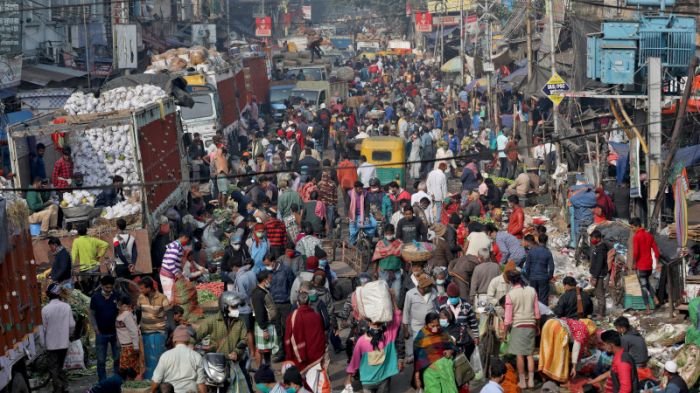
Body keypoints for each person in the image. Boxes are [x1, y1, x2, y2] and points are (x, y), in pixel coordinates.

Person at [345, 304, 404, 393]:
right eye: (375, 323)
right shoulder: (387, 336)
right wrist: (348, 378)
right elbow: (355, 360)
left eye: (378, 323)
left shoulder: (386, 336)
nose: (376, 326)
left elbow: (397, 316)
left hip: (379, 380)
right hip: (370, 381)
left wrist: (393, 299)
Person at [284, 291, 328, 391]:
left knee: (303, 386)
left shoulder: (292, 317)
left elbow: (287, 339)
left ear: (298, 304)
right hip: (316, 357)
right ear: (309, 303)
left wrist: (289, 357)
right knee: (315, 385)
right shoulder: (316, 316)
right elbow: (321, 336)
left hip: (298, 358)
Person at [504, 270, 540, 389]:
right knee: (529, 354)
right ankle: (531, 381)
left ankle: (522, 382)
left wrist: (504, 333)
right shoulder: (532, 290)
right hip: (531, 325)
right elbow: (537, 314)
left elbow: (508, 319)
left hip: (518, 326)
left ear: (510, 281)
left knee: (519, 355)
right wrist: (537, 326)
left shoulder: (510, 294)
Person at [539, 317, 597, 383]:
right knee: (559, 357)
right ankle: (557, 379)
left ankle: (544, 375)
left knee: (548, 351)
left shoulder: (577, 324)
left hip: (548, 323)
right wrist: (574, 368)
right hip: (559, 328)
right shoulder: (583, 329)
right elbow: (576, 348)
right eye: (593, 334)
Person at [150, 326, 206, 393]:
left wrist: (151, 391)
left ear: (174, 340)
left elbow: (156, 380)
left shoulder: (165, 356)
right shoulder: (196, 356)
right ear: (188, 340)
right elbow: (201, 383)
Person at [42, 283, 75, 393]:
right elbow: (71, 325)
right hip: (64, 343)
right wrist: (69, 336)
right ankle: (64, 386)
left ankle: (58, 387)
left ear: (48, 295)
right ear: (59, 294)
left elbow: (44, 329)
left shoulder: (45, 310)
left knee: (53, 367)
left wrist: (43, 344)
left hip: (51, 344)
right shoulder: (66, 307)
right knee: (60, 365)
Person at [412, 312, 457, 392]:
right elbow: (417, 357)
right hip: (430, 371)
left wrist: (450, 351)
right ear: (427, 324)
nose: (435, 328)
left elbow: (452, 345)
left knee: (450, 390)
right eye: (432, 326)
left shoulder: (443, 332)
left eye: (437, 325)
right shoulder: (421, 335)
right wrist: (417, 377)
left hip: (446, 369)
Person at [263, 255, 295, 362]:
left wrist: (290, 299)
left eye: (268, 264)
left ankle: (290, 352)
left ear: (274, 261)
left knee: (287, 328)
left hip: (286, 303)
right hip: (274, 304)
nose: (267, 267)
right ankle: (281, 352)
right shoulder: (269, 272)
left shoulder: (286, 270)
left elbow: (292, 284)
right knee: (277, 329)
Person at [137, 277, 169, 379]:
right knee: (146, 359)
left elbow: (169, 315)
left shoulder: (162, 298)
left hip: (158, 332)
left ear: (149, 288)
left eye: (142, 288)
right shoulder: (141, 297)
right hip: (145, 332)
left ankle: (159, 380)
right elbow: (138, 313)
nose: (140, 291)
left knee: (158, 358)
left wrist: (169, 332)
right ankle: (149, 381)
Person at [89, 275, 120, 382]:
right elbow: (92, 314)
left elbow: (121, 311)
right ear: (102, 286)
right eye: (106, 288)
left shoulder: (116, 296)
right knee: (101, 360)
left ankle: (117, 381)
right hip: (101, 333)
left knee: (117, 358)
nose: (108, 290)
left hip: (115, 333)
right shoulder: (95, 297)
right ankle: (102, 382)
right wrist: (96, 328)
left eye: (110, 288)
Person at [402, 273, 438, 364]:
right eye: (428, 285)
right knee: (419, 351)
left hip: (431, 326)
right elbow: (406, 312)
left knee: (431, 350)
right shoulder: (410, 294)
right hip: (417, 327)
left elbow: (437, 307)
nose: (431, 286)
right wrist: (405, 330)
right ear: (423, 287)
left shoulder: (433, 292)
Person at [440, 282, 480, 358]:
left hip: (463, 340)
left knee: (463, 362)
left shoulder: (466, 306)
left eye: (455, 296)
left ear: (459, 295)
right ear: (448, 296)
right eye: (451, 297)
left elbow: (473, 323)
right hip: (448, 340)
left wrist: (476, 336)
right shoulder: (443, 306)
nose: (453, 299)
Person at [630, 217, 661, 312]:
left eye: (632, 227)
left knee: (643, 287)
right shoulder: (649, 235)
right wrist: (657, 262)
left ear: (636, 226)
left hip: (641, 265)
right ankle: (655, 297)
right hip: (649, 265)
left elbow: (636, 252)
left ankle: (647, 308)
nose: (632, 229)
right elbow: (656, 250)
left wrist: (634, 263)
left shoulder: (636, 237)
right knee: (646, 283)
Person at [252, 270, 278, 365]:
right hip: (263, 324)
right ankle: (260, 370)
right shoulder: (258, 294)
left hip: (266, 323)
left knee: (266, 349)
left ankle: (267, 368)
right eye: (269, 278)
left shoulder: (263, 291)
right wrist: (264, 329)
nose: (270, 280)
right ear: (264, 280)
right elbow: (259, 312)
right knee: (260, 349)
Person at [372, 224, 404, 296]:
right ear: (384, 233)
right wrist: (374, 272)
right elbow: (376, 259)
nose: (389, 235)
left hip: (396, 273)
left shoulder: (399, 243)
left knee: (396, 294)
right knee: (384, 295)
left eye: (391, 233)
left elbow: (404, 258)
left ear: (394, 232)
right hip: (383, 273)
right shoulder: (380, 244)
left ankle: (395, 307)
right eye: (387, 233)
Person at [115, 294, 142, 378]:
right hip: (125, 346)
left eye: (119, 303)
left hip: (129, 346)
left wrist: (136, 346)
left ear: (124, 305)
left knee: (128, 369)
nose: (117, 305)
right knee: (127, 369)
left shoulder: (127, 315)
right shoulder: (122, 314)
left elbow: (133, 331)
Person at [523, 234, 555, 304]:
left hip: (533, 277)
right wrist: (549, 277)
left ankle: (535, 312)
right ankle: (543, 313)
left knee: (534, 296)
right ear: (546, 241)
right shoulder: (548, 252)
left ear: (538, 240)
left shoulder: (531, 251)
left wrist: (528, 276)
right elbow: (552, 267)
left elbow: (527, 266)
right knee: (543, 298)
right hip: (543, 277)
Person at [160, 233, 190, 301]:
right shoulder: (176, 246)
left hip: (169, 274)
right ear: (184, 237)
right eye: (187, 240)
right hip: (167, 275)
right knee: (169, 297)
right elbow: (170, 261)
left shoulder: (176, 245)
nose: (187, 242)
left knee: (172, 296)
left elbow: (175, 262)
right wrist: (177, 273)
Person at [589, 229, 610, 318]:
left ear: (598, 238)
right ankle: (599, 312)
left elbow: (599, 264)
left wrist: (595, 277)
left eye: (593, 238)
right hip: (597, 274)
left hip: (599, 274)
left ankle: (601, 313)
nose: (591, 240)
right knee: (597, 293)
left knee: (600, 294)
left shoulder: (601, 249)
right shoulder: (598, 247)